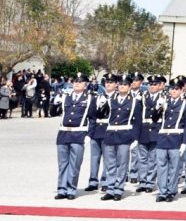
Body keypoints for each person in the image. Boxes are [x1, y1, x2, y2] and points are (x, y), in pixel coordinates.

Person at [101, 74, 141, 201]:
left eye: (125, 84)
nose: (122, 86)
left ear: (129, 87)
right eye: (120, 84)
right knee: (110, 164)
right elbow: (101, 115)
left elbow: (137, 122)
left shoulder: (135, 101)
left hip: (125, 135)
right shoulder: (110, 99)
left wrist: (135, 139)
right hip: (110, 134)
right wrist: (99, 106)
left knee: (122, 164)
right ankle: (110, 188)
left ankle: (118, 189)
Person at [54, 72, 92, 200]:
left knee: (75, 164)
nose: (77, 83)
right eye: (75, 81)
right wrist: (55, 104)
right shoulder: (65, 96)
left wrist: (89, 135)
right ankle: (61, 189)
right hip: (63, 133)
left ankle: (71, 189)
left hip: (78, 134)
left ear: (85, 85)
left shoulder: (90, 98)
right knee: (62, 164)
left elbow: (93, 119)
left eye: (80, 81)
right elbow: (54, 112)